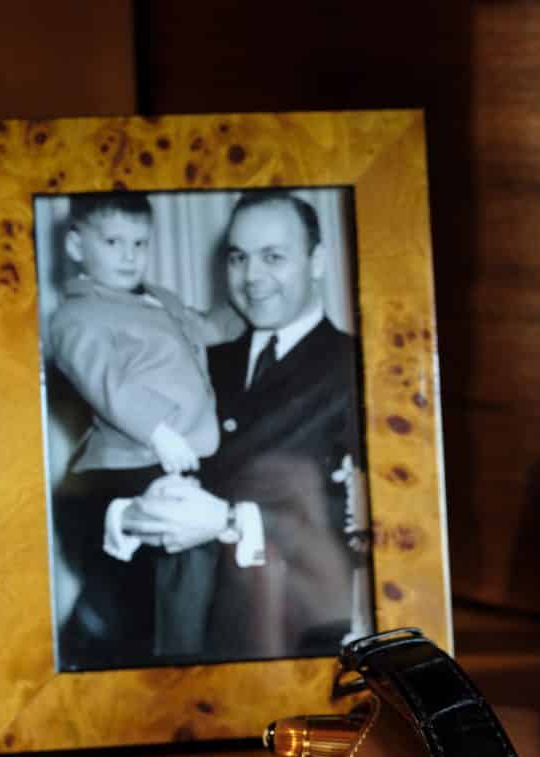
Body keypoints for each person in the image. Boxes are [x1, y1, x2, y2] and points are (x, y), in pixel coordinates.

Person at [110, 189, 371, 662]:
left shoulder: (361, 366)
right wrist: (127, 514)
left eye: (273, 257)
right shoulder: (197, 360)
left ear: (316, 261)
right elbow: (131, 459)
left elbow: (367, 522)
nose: (251, 277)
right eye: (238, 258)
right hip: (177, 629)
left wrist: (230, 521)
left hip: (289, 634)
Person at [48, 192, 222, 670]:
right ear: (77, 246)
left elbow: (207, 328)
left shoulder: (159, 298)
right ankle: (159, 666)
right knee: (173, 561)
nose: (130, 255)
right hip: (128, 459)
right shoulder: (74, 316)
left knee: (184, 567)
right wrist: (160, 431)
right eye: (113, 241)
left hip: (180, 456)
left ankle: (175, 655)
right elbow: (108, 383)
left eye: (140, 243)